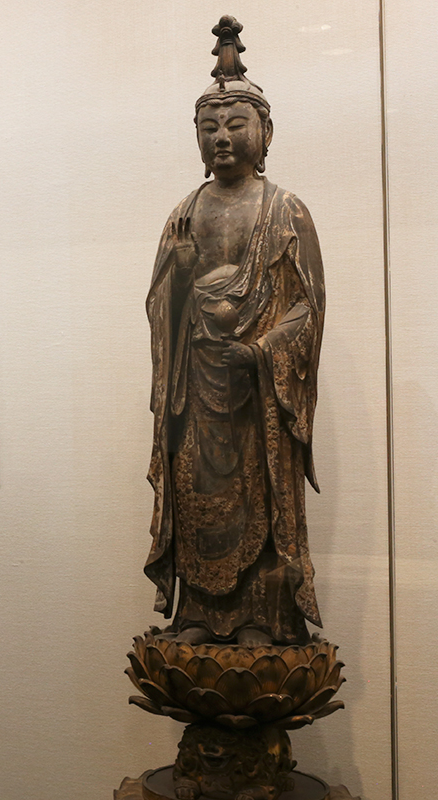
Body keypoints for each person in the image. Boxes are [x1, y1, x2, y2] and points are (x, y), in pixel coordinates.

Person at [144, 17, 325, 646]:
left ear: (265, 133)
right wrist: (179, 273)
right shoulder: (185, 212)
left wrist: (263, 350)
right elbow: (162, 306)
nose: (221, 137)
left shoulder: (285, 211)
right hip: (197, 383)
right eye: (209, 128)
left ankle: (261, 617)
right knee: (197, 488)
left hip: (258, 391)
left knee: (261, 495)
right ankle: (197, 611)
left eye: (235, 124)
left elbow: (306, 307)